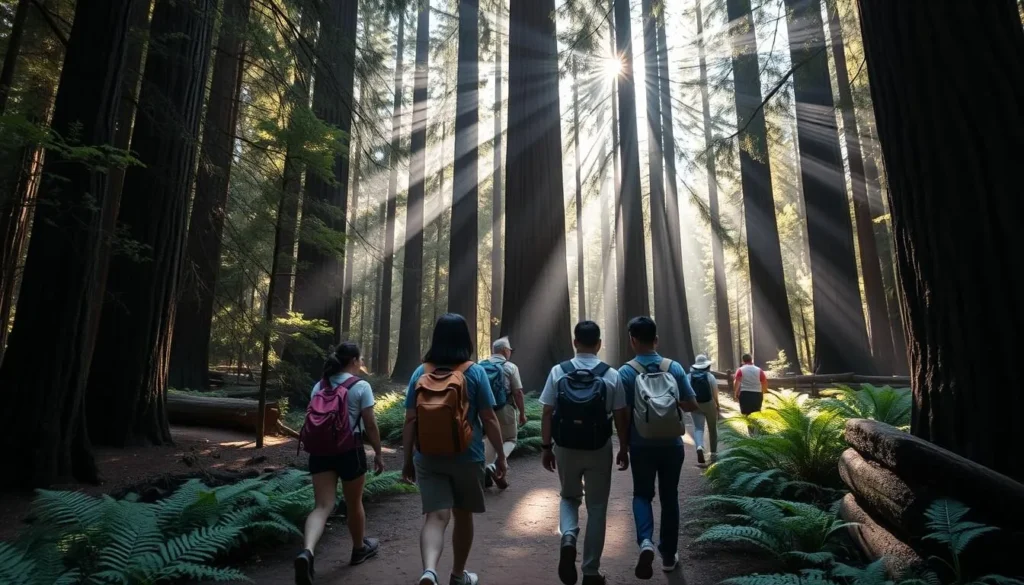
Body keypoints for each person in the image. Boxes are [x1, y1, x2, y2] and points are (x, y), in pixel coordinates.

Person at [401, 314, 508, 585]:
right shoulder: (474, 371)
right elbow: (489, 418)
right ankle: (458, 576)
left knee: (435, 517)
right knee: (463, 516)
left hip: (427, 455)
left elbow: (410, 419)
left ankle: (429, 571)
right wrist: (501, 456)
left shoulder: (420, 372)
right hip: (467, 455)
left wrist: (407, 461)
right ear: (465, 339)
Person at [540, 320, 630, 585]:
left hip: (565, 447)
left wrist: (547, 448)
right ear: (599, 344)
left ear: (574, 342)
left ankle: (568, 535)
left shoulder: (559, 371)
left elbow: (547, 412)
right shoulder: (610, 374)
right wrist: (623, 447)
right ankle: (591, 571)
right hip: (598, 447)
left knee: (569, 497)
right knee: (598, 507)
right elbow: (620, 416)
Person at [295, 342, 385, 585]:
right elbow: (371, 424)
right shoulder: (361, 386)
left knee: (322, 506)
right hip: (350, 451)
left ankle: (308, 551)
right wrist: (378, 452)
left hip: (321, 452)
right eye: (360, 359)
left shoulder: (319, 385)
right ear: (354, 360)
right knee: (354, 503)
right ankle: (358, 549)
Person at [619, 317, 699, 579]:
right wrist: (671, 405)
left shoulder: (626, 372)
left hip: (641, 445)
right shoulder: (673, 367)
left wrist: (623, 445)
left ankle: (645, 543)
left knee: (642, 495)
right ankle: (668, 556)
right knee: (669, 497)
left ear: (632, 340)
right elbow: (691, 404)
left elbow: (624, 414)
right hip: (671, 445)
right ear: (656, 339)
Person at [480, 337, 527, 490]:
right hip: (504, 408)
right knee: (511, 439)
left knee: (489, 439)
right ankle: (495, 464)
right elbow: (518, 392)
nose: (510, 353)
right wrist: (522, 413)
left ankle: (487, 468)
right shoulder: (510, 367)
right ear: (504, 350)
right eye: (509, 350)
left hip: (484, 409)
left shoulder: (480, 365)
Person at [688, 354, 720, 465]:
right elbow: (715, 392)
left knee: (698, 428)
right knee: (712, 429)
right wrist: (717, 404)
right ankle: (714, 454)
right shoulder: (710, 376)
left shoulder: (689, 376)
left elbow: (687, 392)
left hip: (695, 404)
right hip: (709, 403)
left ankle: (700, 447)